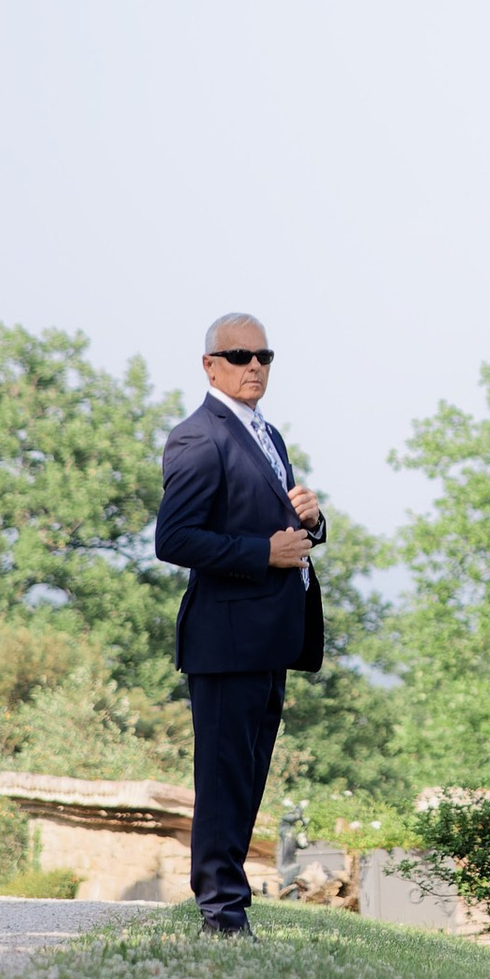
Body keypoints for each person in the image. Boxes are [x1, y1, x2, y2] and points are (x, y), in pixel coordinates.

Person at [152, 314, 326, 938]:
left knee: (247, 779)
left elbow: (278, 526)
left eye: (264, 355)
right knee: (224, 781)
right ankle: (221, 913)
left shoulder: (268, 435)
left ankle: (229, 908)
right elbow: (173, 539)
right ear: (210, 365)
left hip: (269, 637)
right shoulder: (200, 437)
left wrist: (312, 520)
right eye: (239, 354)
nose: (254, 365)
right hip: (224, 642)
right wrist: (263, 554)